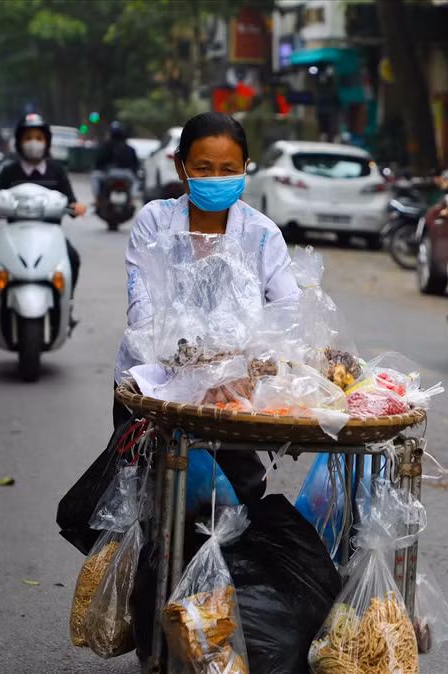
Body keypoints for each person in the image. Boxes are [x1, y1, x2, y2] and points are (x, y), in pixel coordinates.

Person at [112, 111, 300, 491]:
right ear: (181, 168)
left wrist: (241, 373)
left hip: (232, 399)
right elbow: (143, 310)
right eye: (204, 167)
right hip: (155, 392)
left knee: (239, 498)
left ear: (246, 168)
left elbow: (287, 314)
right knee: (141, 496)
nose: (216, 178)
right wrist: (194, 374)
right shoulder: (155, 221)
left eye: (228, 168)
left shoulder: (263, 235)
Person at [0, 114, 86, 295]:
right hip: (14, 237)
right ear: (19, 142)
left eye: (39, 138)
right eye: (28, 138)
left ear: (47, 142)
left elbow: (71, 203)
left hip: (51, 236)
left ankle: (65, 303)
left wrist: (76, 207)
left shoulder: (57, 171)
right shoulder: (9, 172)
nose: (34, 142)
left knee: (73, 258)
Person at [92, 120, 140, 202]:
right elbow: (136, 164)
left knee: (95, 176)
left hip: (110, 174)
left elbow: (99, 162)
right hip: (127, 175)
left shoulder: (106, 147)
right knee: (136, 181)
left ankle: (96, 200)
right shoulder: (129, 149)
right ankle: (132, 200)